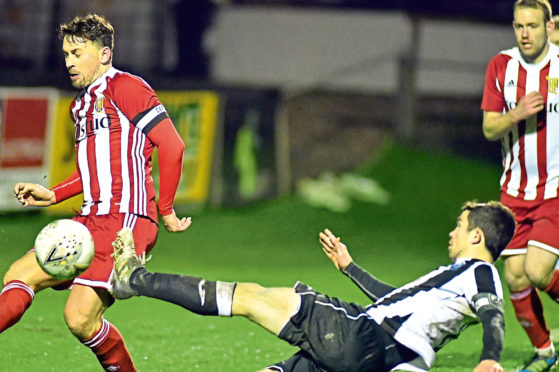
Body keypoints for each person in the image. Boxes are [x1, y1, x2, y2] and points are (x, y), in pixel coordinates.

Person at [111, 201, 515, 372]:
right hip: (381, 357)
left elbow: (493, 313)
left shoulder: (481, 274)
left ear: (477, 237)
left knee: (251, 297)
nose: (452, 232)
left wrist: (492, 357)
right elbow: (398, 300)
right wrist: (350, 267)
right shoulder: (456, 278)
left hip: (362, 337)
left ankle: (134, 278)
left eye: (460, 226)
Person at [0, 14, 191, 372]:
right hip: (89, 220)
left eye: (77, 52)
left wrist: (165, 209)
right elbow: (92, 171)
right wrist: (54, 195)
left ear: (104, 54)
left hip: (127, 220)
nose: (69, 62)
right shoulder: (81, 106)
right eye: (66, 54)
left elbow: (173, 145)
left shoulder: (127, 87)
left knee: (78, 317)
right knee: (19, 276)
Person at [481, 1, 559, 370]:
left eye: (532, 25)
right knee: (514, 278)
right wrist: (517, 114)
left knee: (538, 270)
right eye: (518, 26)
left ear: (548, 26)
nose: (525, 33)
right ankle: (545, 352)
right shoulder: (501, 66)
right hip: (513, 191)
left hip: (555, 188)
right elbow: (489, 128)